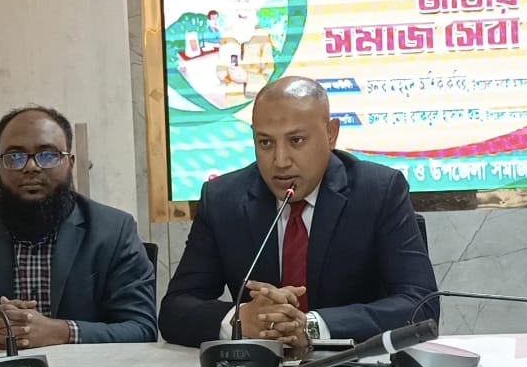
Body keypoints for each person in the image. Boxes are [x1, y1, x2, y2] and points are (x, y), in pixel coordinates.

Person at [159, 76, 439, 349]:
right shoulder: (222, 200)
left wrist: (311, 326)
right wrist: (241, 319)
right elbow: (175, 309)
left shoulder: (378, 192)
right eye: (265, 143)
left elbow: (421, 305)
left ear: (331, 134)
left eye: (296, 140)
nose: (280, 161)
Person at [0, 106, 157, 349]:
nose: (31, 167)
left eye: (48, 155)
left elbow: (141, 327)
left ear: (70, 163)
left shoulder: (114, 230)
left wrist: (61, 332)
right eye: (15, 157)